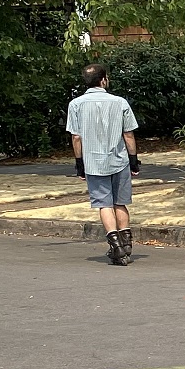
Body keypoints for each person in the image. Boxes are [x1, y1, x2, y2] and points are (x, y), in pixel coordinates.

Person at [66, 63, 141, 265]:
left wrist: (79, 163)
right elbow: (128, 133)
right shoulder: (120, 102)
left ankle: (115, 245)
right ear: (103, 79)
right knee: (120, 202)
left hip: (93, 162)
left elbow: (76, 137)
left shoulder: (76, 105)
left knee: (104, 203)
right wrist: (133, 160)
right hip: (119, 159)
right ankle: (126, 243)